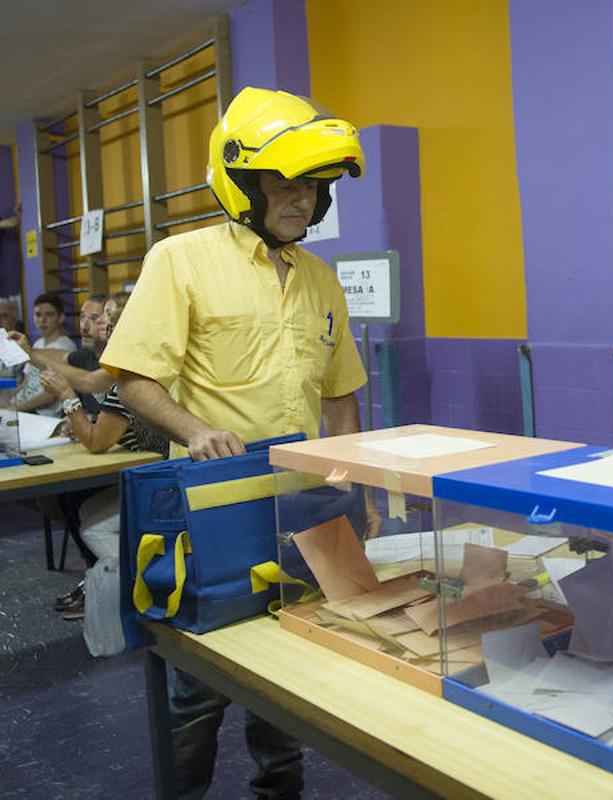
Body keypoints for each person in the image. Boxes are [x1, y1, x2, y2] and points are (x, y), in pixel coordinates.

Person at [100, 87, 369, 800]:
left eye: (312, 186)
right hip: (211, 504)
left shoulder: (320, 280)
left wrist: (348, 485)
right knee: (201, 686)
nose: (302, 200)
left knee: (288, 676)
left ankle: (279, 792)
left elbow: (341, 395)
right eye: (285, 182)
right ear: (244, 184)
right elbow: (132, 378)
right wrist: (194, 430)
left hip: (299, 506)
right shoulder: (179, 259)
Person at [41, 303, 166, 629]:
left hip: (160, 484)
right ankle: (102, 581)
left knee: (91, 527)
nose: (103, 334)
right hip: (157, 473)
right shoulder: (149, 366)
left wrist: (67, 397)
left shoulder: (127, 379)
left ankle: (130, 592)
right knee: (84, 507)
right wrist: (90, 418)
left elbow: (96, 442)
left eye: (110, 329)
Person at [10, 293, 77, 415]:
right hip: (24, 408)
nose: (42, 320)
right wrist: (8, 401)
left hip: (43, 414)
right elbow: (26, 381)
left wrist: (16, 408)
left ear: (61, 317)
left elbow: (50, 396)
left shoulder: (66, 347)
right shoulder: (37, 344)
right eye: (38, 315)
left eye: (49, 314)